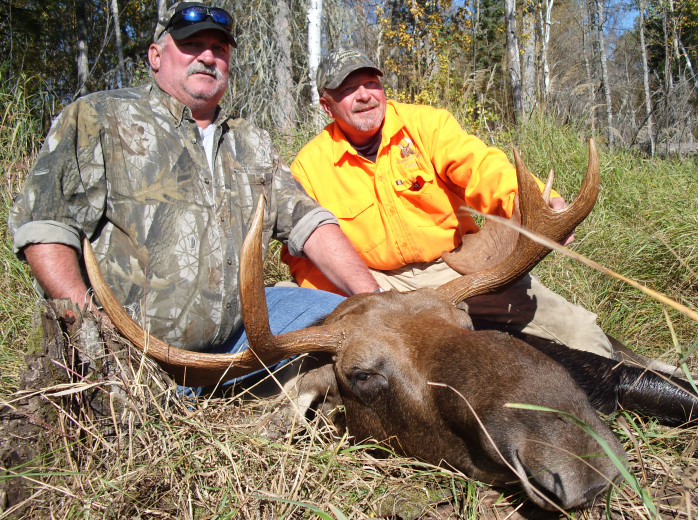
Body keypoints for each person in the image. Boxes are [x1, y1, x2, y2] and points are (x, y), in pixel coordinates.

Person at [8, 5, 381, 370]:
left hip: (241, 340)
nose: (207, 57)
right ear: (156, 56)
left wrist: (374, 299)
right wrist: (93, 332)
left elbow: (308, 223)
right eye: (191, 45)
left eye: (219, 49)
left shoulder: (250, 139)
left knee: (356, 328)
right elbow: (46, 227)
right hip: (134, 356)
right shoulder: (99, 118)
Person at [281, 47, 615, 358]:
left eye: (371, 82)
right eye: (348, 89)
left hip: (458, 269)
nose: (365, 95)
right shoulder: (310, 166)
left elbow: (482, 168)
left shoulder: (428, 126)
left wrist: (535, 202)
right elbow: (304, 259)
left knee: (582, 337)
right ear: (327, 106)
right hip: (378, 284)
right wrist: (359, 301)